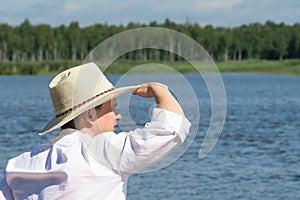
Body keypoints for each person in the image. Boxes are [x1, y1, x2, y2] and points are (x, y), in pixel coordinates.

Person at [0, 62, 191, 200]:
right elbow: (171, 129)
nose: (118, 116)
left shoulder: (19, 165)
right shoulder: (104, 152)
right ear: (90, 115)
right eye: (113, 108)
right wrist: (161, 91)